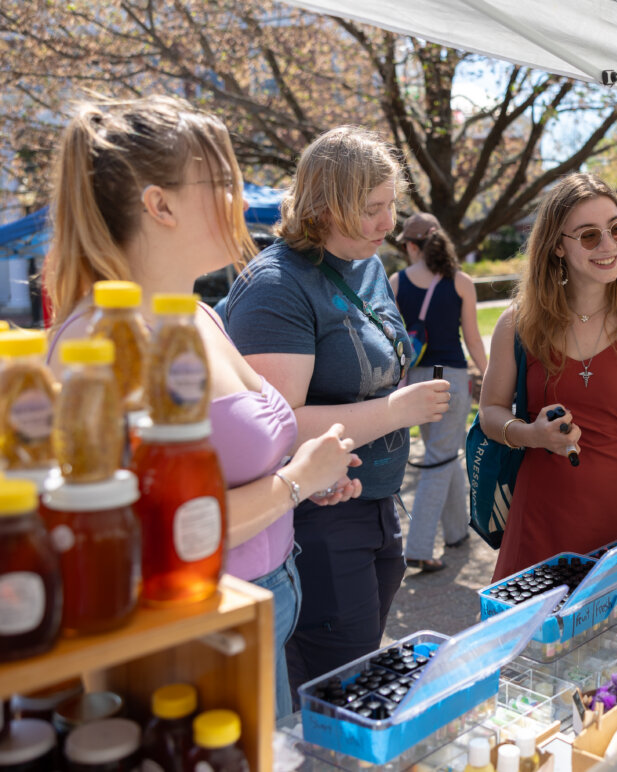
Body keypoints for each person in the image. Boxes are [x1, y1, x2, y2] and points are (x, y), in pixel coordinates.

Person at [42, 96, 363, 718]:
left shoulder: (197, 315)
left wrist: (309, 474)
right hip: (186, 634)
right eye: (221, 183)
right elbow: (146, 534)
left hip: (255, 606)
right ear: (159, 205)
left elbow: (235, 462)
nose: (240, 202)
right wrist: (294, 483)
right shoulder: (101, 343)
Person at [224, 126, 452, 694]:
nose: (390, 224)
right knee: (341, 686)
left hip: (373, 503)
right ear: (325, 208)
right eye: (373, 209)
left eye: (391, 205)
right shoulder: (276, 285)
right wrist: (398, 411)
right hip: (319, 518)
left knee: (361, 665)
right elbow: (279, 425)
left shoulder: (366, 265)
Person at [478, 173, 617, 581]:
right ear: (557, 246)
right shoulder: (517, 324)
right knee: (533, 642)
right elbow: (489, 413)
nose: (609, 246)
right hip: (537, 521)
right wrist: (531, 434)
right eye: (588, 236)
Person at [389, 212, 488, 572]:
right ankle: (417, 547)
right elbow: (473, 339)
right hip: (451, 379)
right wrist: (491, 378)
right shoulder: (461, 282)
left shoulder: (396, 282)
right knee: (441, 458)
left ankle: (457, 531)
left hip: (413, 382)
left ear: (413, 246)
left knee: (442, 452)